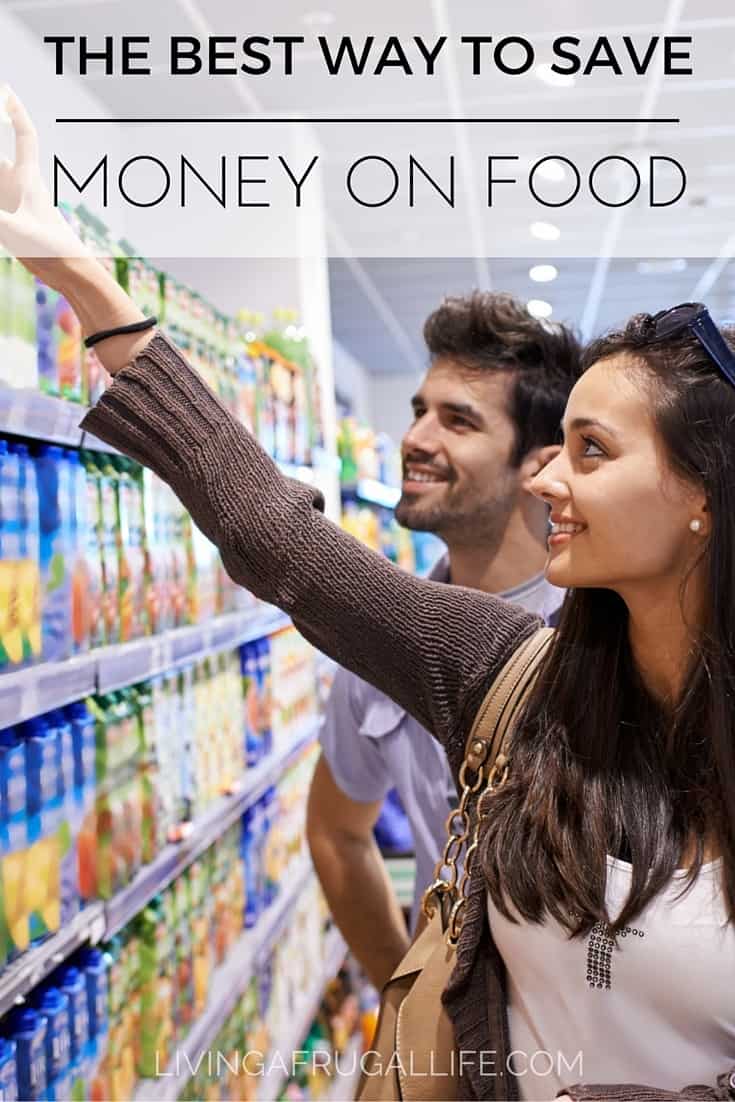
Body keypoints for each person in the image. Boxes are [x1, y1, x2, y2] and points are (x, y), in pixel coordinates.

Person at [2, 91, 734, 1101]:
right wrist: (80, 279)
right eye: (558, 444)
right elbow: (281, 542)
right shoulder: (506, 672)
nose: (547, 480)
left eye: (592, 451)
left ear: (703, 495)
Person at [307, 293, 579, 990]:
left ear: (538, 465)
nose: (416, 438)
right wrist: (405, 1001)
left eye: (456, 421)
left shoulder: (602, 638)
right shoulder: (382, 641)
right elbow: (336, 832)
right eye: (419, 411)